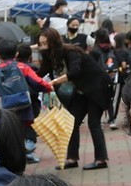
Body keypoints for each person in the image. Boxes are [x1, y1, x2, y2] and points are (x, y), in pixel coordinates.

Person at [38, 28, 111, 170]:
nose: (43, 47)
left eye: (45, 43)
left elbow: (74, 72)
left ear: (53, 42)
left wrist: (53, 82)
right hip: (81, 91)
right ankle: (72, 159)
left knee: (94, 123)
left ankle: (100, 160)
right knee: (72, 122)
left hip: (96, 88)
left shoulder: (70, 51)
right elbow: (41, 72)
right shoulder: (50, 56)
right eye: (40, 44)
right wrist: (25, 73)